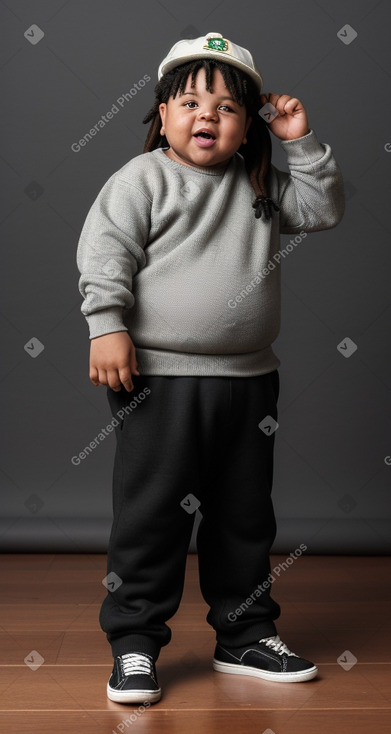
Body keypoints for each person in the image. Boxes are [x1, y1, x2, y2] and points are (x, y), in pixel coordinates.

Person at [76, 31, 345, 704]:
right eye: (191, 102)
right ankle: (135, 643)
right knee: (152, 514)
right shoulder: (141, 180)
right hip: (157, 383)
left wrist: (298, 140)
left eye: (228, 107)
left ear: (247, 124)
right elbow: (104, 254)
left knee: (243, 515)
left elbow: (323, 209)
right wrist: (106, 326)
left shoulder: (258, 182)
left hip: (248, 381)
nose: (207, 116)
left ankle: (243, 633)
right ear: (160, 114)